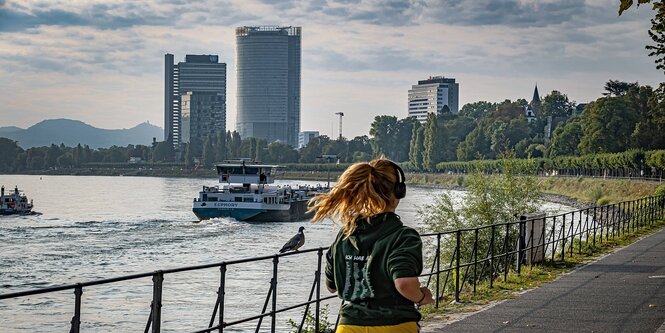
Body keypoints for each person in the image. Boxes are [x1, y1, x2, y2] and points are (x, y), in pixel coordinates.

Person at [309, 158, 434, 333]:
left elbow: (332, 286)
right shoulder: (402, 236)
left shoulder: (345, 235)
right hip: (394, 325)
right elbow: (404, 283)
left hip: (348, 326)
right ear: (399, 191)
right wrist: (422, 297)